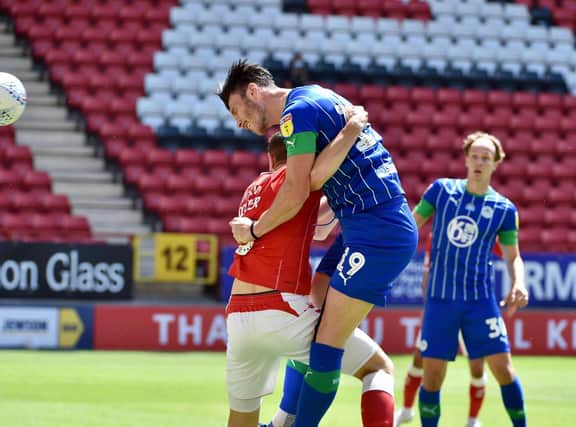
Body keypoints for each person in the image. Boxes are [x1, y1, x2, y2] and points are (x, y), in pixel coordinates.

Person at [219, 59, 418, 426]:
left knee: (326, 349)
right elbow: (313, 197)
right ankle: (284, 420)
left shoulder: (298, 114)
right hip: (359, 225)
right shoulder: (314, 99)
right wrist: (352, 129)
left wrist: (255, 229)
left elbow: (299, 188)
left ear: (252, 90)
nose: (238, 123)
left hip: (375, 231)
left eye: (236, 110)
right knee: (322, 308)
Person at [412, 132, 529, 427]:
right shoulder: (441, 191)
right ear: (465, 159)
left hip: (480, 302)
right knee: (433, 378)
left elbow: (512, 255)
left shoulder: (504, 209)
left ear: (496, 164)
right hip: (440, 301)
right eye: (474, 156)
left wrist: (519, 283)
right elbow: (410, 227)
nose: (479, 162)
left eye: (485, 158)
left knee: (503, 370)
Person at [394, 232, 502, 427]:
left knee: (477, 368)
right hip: (443, 308)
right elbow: (428, 273)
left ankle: (472, 420)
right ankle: (407, 410)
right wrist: (430, 309)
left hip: (472, 308)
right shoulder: (436, 235)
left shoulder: (482, 230)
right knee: (420, 359)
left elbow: (507, 250)